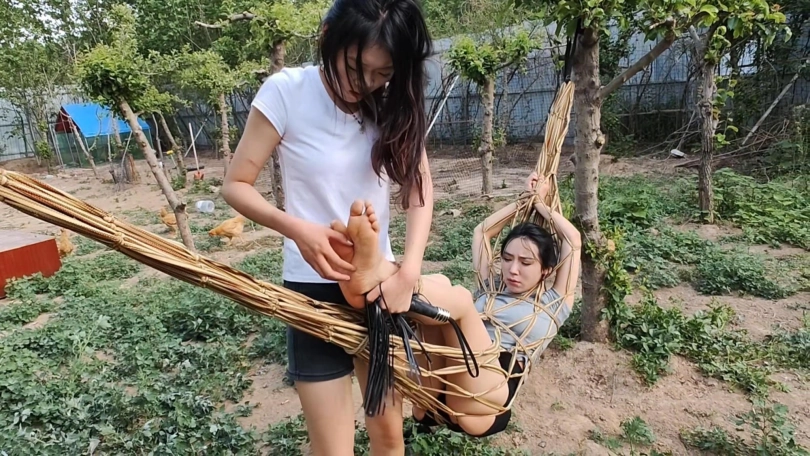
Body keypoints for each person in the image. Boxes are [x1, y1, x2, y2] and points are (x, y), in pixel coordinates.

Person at [221, 1, 434, 454]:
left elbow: (420, 189)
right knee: (333, 447)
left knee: (389, 438)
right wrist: (298, 229)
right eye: (357, 69)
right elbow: (236, 185)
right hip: (311, 292)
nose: (367, 84)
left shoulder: (391, 102)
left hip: (378, 288)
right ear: (327, 37)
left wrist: (409, 271)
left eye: (383, 73)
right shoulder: (287, 92)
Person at [329, 171, 581, 438]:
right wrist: (523, 200)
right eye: (507, 259)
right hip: (434, 390)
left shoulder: (554, 304)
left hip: (484, 400)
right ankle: (379, 275)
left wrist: (539, 203)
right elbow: (482, 232)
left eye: (526, 262)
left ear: (546, 270)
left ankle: (384, 272)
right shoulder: (491, 287)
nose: (513, 269)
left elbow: (573, 241)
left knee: (460, 299)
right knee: (442, 282)